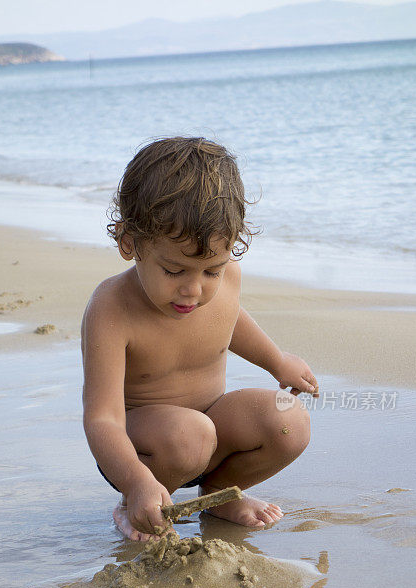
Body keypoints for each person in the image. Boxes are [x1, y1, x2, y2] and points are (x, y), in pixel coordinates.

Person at [81, 137, 319, 542]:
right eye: (174, 271)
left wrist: (277, 361)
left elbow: (230, 320)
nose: (194, 290)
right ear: (129, 242)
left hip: (212, 429)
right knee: (191, 434)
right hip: (143, 450)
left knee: (289, 421)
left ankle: (218, 496)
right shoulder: (111, 309)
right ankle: (138, 505)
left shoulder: (225, 281)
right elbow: (102, 418)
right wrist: (134, 480)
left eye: (212, 271)